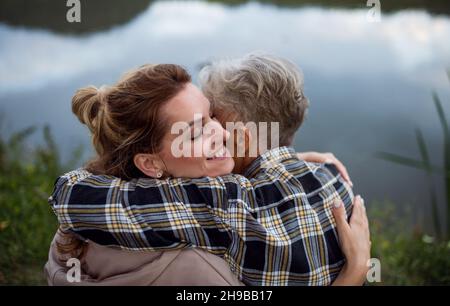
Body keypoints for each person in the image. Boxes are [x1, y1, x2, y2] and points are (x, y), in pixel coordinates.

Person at [46, 56, 370, 286]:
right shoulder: (333, 178)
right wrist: (353, 274)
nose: (220, 133)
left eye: (213, 117)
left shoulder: (221, 202)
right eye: (199, 128)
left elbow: (71, 194)